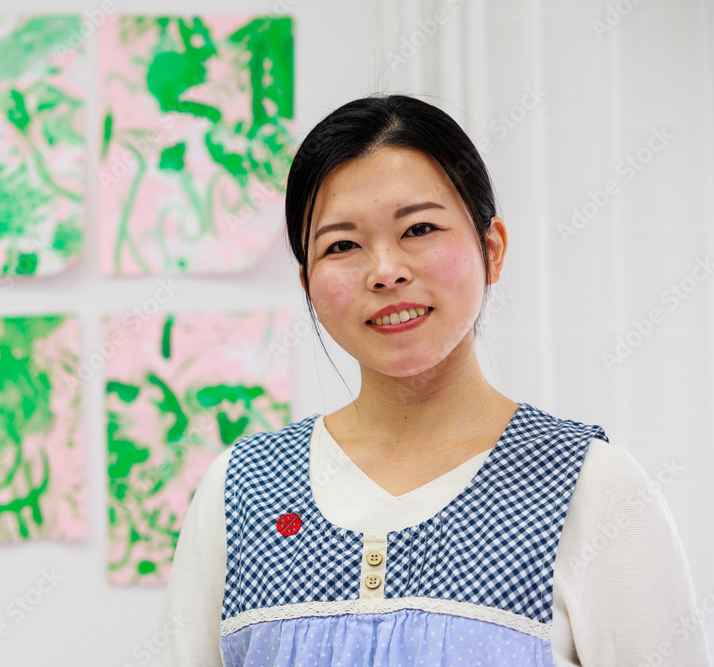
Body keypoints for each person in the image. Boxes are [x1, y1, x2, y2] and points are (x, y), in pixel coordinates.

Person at [149, 95, 713, 666]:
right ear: (308, 283)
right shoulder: (241, 490)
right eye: (342, 245)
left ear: (491, 250)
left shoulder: (595, 488)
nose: (385, 271)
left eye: (419, 228)